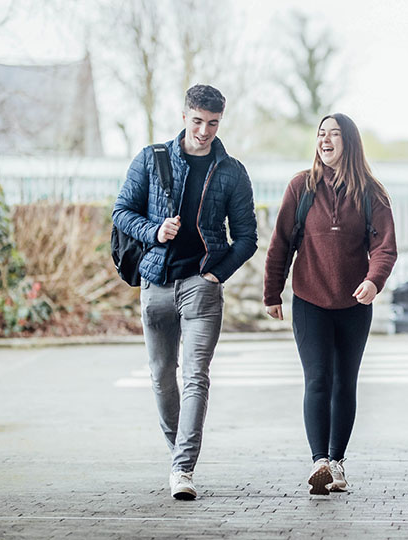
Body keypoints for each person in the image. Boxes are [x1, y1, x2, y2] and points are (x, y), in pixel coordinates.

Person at [112, 84, 257, 500]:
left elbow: (246, 237)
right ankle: (179, 454)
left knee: (196, 376)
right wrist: (155, 231)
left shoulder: (231, 171)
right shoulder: (152, 158)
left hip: (201, 285)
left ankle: (182, 467)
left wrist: (218, 274)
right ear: (184, 116)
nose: (204, 131)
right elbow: (122, 212)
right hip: (156, 283)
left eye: (212, 124)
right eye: (197, 122)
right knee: (161, 377)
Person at [263, 113, 397, 495]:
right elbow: (280, 243)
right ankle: (318, 460)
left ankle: (337, 463)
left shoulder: (372, 193)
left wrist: (374, 281)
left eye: (334, 134)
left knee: (345, 383)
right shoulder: (300, 188)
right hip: (310, 300)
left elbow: (385, 247)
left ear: (349, 143)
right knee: (318, 378)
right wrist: (273, 292)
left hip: (355, 304)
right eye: (321, 134)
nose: (326, 140)